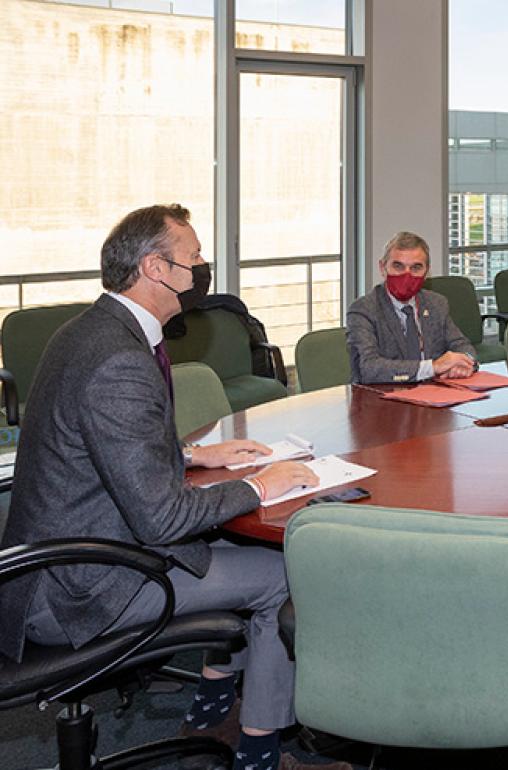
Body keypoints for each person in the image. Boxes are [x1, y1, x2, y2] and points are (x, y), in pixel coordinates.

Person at [0, 204, 344, 770]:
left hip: (59, 557)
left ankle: (212, 707)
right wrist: (261, 486)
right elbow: (160, 520)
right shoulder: (118, 360)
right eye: (195, 258)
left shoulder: (89, 330)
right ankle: (259, 751)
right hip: (77, 588)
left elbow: (91, 442)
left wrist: (191, 454)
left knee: (237, 545)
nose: (202, 269)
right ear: (155, 268)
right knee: (287, 573)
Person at [346, 231, 476, 384]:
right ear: (382, 268)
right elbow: (369, 368)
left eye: (416, 268)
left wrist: (466, 363)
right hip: (382, 399)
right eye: (398, 266)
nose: (406, 275)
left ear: (426, 272)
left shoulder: (436, 303)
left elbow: (462, 345)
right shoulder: (363, 310)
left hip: (433, 395)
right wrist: (433, 367)